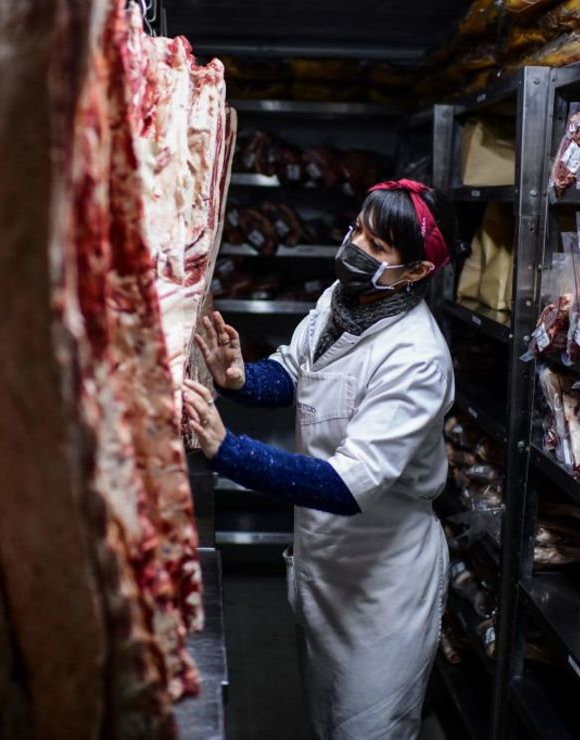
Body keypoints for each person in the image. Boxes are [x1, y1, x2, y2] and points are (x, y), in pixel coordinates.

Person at [183, 179, 462, 740]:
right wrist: (238, 379)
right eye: (358, 228)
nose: (355, 246)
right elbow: (294, 372)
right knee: (324, 721)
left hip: (381, 587)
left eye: (377, 247)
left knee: (368, 730)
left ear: (414, 273)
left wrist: (226, 450)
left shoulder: (417, 358)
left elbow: (344, 486)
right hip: (322, 564)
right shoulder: (342, 302)